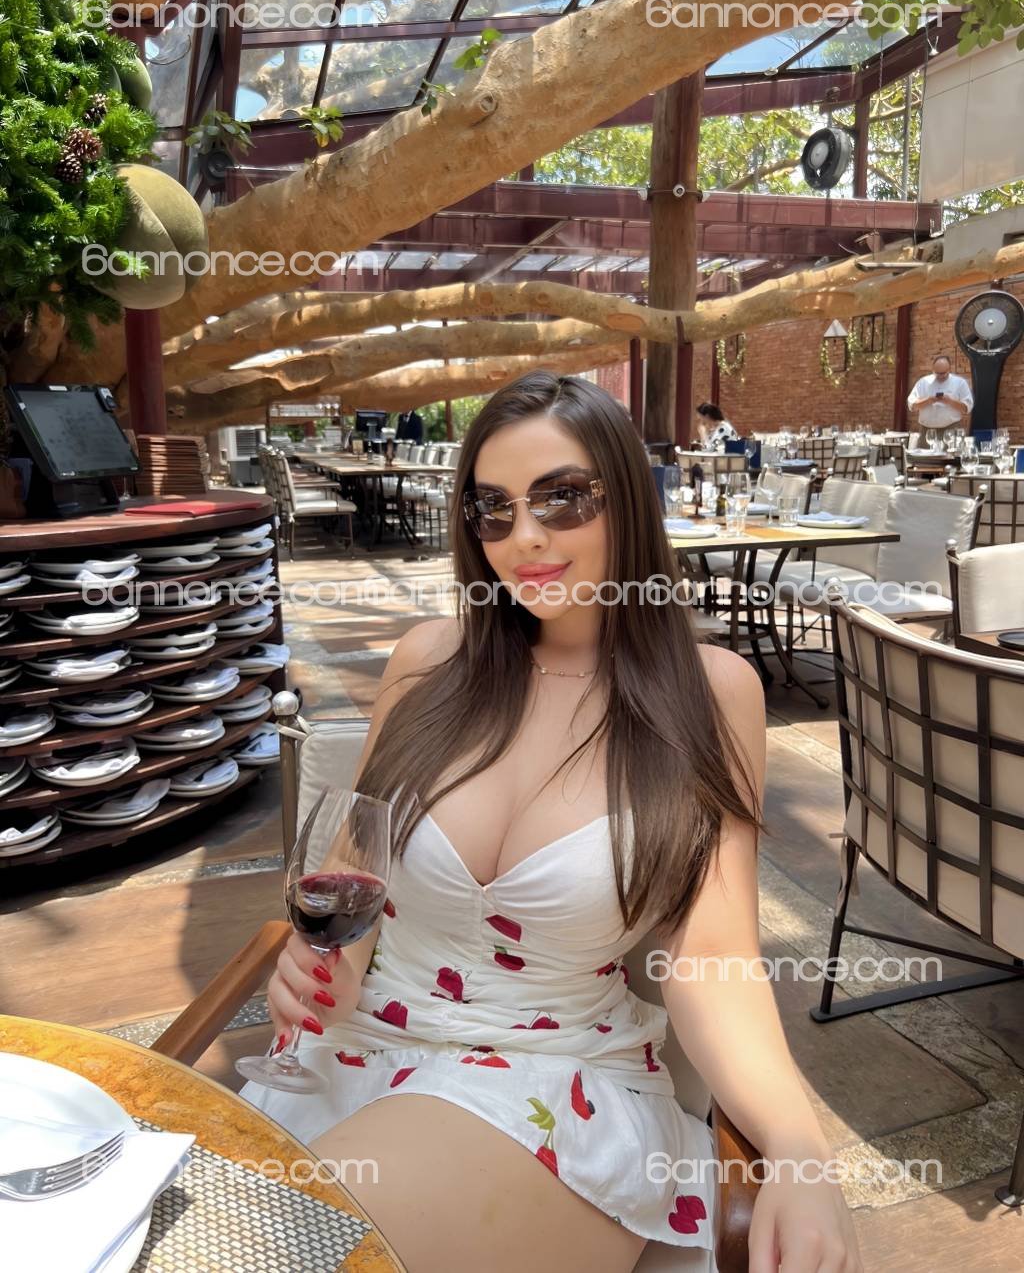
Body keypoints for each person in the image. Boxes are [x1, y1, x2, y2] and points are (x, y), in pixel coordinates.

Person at [243, 372, 862, 1273]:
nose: (524, 536)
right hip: (351, 1056)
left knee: (290, 1248)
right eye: (492, 509)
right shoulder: (427, 663)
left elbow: (712, 957)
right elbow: (356, 882)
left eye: (563, 498)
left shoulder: (711, 695)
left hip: (553, 1086)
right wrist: (315, 968)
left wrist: (800, 1150)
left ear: (629, 501)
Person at [907, 354, 973, 441]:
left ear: (949, 369)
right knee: (922, 451)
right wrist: (929, 400)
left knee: (951, 451)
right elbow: (912, 406)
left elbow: (966, 408)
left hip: (951, 429)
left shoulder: (960, 383)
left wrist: (950, 401)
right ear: (933, 369)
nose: (940, 376)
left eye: (943, 373)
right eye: (937, 373)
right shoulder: (923, 382)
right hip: (926, 431)